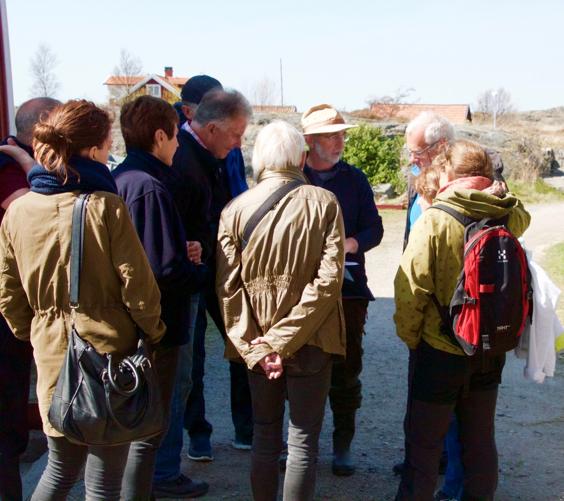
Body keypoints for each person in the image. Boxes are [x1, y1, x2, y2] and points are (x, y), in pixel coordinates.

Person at [0, 99, 165, 501]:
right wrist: (152, 332)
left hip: (53, 359)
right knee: (104, 483)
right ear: (93, 149)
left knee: (59, 470)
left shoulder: (19, 210)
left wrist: (37, 330)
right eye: (109, 145)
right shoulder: (105, 206)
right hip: (108, 357)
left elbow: (8, 295)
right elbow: (139, 287)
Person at [393, 139, 531, 500]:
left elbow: (410, 289)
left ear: (451, 173)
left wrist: (412, 339)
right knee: (480, 442)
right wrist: (503, 191)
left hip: (440, 350)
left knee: (423, 449)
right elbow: (524, 216)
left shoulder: (437, 219)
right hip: (488, 346)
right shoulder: (505, 213)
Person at [216, 120, 346, 501]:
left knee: (265, 436)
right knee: (303, 442)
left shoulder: (234, 209)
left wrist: (260, 345)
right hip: (313, 339)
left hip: (257, 344)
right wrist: (281, 341)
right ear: (301, 156)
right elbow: (329, 282)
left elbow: (227, 289)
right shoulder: (324, 203)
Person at [112, 95, 209, 499]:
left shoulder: (122, 178)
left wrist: (176, 249)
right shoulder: (148, 186)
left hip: (136, 322)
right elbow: (163, 271)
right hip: (159, 327)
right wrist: (199, 271)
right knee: (149, 428)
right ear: (159, 136)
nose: (177, 145)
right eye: (174, 137)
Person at [169, 87, 254, 460]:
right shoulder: (180, 155)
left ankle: (246, 429)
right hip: (190, 272)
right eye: (236, 135)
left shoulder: (210, 152)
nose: (239, 144)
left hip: (219, 266)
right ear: (214, 128)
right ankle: (197, 432)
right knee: (193, 356)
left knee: (241, 340)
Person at [301, 104, 384, 476]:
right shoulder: (293, 179)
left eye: (342, 134)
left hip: (349, 293)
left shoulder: (355, 180)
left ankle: (343, 444)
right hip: (300, 293)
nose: (340, 141)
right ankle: (302, 445)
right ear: (310, 141)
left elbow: (376, 229)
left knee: (346, 368)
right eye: (332, 135)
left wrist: (352, 243)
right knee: (301, 367)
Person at [0, 97, 59, 501]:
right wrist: (30, 168)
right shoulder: (7, 166)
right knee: (5, 426)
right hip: (2, 318)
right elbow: (36, 213)